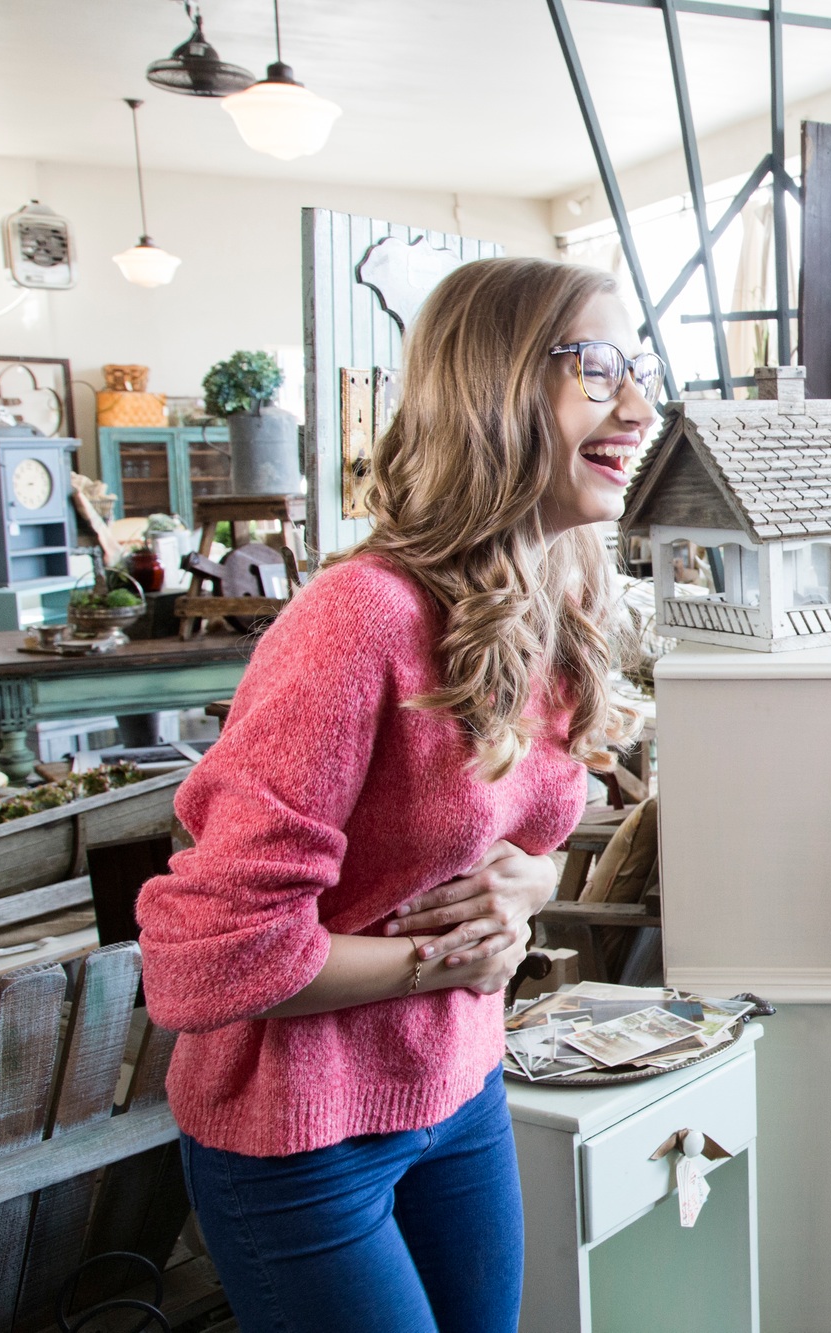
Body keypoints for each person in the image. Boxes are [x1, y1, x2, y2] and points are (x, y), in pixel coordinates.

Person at [137, 257, 659, 1333]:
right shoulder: (355, 620)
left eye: (640, 369)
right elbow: (212, 954)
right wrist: (441, 958)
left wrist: (526, 887)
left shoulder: (553, 599)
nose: (641, 408)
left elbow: (526, 834)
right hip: (296, 1134)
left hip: (457, 1087)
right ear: (495, 386)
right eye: (599, 368)